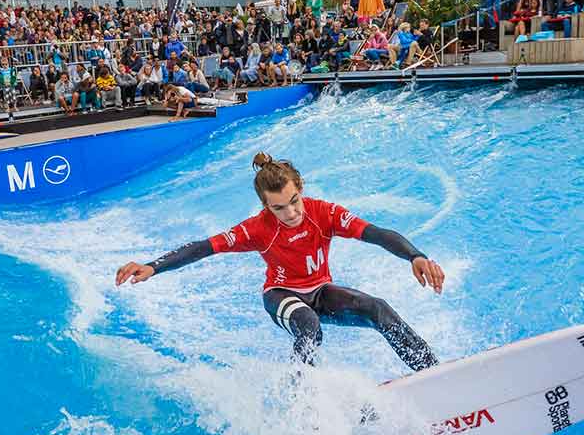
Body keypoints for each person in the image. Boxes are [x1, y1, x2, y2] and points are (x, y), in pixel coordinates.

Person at [115, 153, 442, 370]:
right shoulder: (257, 228)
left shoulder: (323, 213)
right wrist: (154, 266)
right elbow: (203, 247)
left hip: (319, 291)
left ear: (300, 189)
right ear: (265, 206)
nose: (291, 213)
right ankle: (301, 401)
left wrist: (416, 255)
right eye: (279, 208)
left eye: (294, 201)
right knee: (309, 327)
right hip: (281, 296)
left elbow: (375, 233)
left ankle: (431, 371)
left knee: (378, 308)